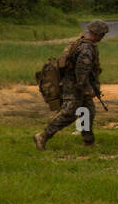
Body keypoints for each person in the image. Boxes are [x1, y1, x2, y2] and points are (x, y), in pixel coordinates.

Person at [34, 20, 108, 149]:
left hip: (78, 85)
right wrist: (86, 88)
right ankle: (43, 135)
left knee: (88, 112)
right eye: (102, 34)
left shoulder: (81, 43)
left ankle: (89, 141)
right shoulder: (86, 49)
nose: (103, 37)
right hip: (75, 86)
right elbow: (81, 72)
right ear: (96, 34)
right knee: (69, 113)